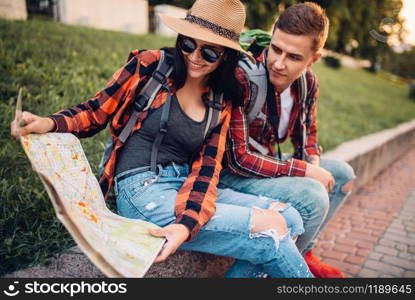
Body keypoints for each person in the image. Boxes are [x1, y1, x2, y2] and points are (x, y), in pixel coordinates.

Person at [11, 0, 314, 278]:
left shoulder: (222, 100)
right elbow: (95, 112)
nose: (194, 57)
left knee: (290, 217)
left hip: (183, 187)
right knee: (270, 235)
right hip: (142, 190)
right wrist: (49, 122)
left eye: (209, 52)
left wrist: (186, 224)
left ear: (225, 57)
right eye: (188, 44)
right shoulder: (152, 66)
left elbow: (206, 171)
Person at [220, 2, 355, 278]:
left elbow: (307, 137)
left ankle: (301, 254)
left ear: (312, 59)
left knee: (341, 175)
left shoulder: (308, 83)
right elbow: (237, 159)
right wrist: (305, 172)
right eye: (276, 49)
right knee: (314, 197)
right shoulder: (244, 76)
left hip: (268, 165)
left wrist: (313, 163)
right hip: (230, 172)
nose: (279, 63)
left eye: (293, 57)